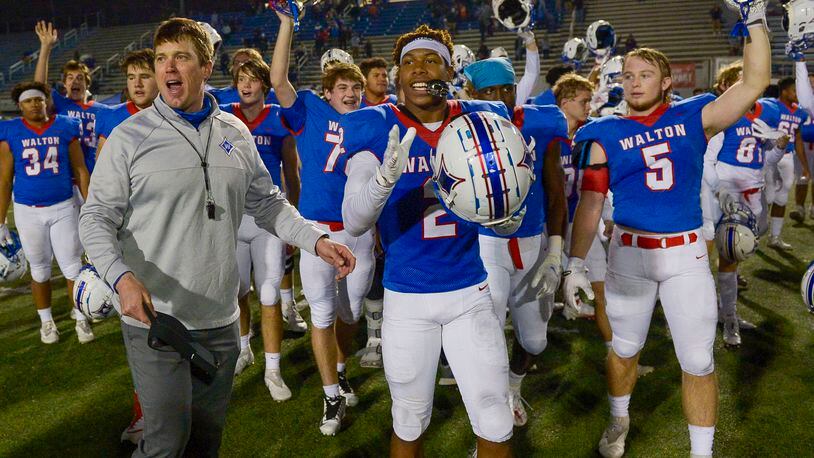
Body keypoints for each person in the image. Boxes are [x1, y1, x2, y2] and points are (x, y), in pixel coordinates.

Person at [78, 18, 355, 456]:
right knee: (166, 443)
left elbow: (268, 203)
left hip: (220, 321)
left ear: (206, 67)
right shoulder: (129, 137)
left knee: (206, 442)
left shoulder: (235, 132)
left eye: (181, 57)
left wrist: (315, 240)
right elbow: (94, 218)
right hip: (157, 321)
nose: (168, 68)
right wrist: (120, 277)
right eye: (161, 58)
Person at [565, 6, 769, 456]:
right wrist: (575, 263)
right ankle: (620, 417)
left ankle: (702, 452)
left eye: (645, 74)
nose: (633, 81)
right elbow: (591, 202)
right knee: (623, 349)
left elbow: (754, 82)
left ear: (666, 82)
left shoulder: (694, 116)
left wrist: (754, 18)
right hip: (628, 256)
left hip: (687, 256)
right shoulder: (602, 132)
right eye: (628, 74)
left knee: (698, 360)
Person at [339, 25, 514, 456]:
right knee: (410, 418)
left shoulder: (481, 119)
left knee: (495, 415)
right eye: (409, 62)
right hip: (407, 298)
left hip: (469, 292)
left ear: (451, 68)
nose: (419, 69)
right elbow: (354, 220)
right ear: (397, 75)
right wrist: (382, 180)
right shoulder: (375, 125)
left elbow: (505, 211)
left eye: (431, 59)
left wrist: (510, 214)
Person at [271, 10, 375, 436]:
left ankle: (342, 367)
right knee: (322, 314)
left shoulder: (375, 118)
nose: (350, 94)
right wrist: (286, 24)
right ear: (327, 92)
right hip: (317, 230)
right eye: (343, 88)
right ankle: (331, 396)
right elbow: (278, 79)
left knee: (350, 314)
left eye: (356, 88)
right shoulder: (309, 110)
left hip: (360, 233)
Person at [464, 57, 568, 428]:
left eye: (505, 89)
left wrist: (556, 254)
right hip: (488, 245)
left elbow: (556, 193)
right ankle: (490, 409)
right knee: (485, 333)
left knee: (536, 341)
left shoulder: (541, 121)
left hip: (532, 243)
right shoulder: (463, 129)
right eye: (488, 91)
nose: (499, 97)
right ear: (473, 94)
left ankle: (513, 385)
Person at [219, 57, 306, 400]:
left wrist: (293, 219)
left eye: (253, 78)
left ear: (264, 85)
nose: (246, 84)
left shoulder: (277, 118)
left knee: (268, 292)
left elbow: (291, 171)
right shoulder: (222, 113)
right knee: (238, 289)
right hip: (231, 217)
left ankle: (273, 368)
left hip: (267, 216)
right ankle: (244, 348)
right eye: (241, 78)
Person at [701, 61, 786, 348]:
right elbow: (707, 161)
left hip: (753, 194)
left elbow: (764, 162)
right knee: (719, 256)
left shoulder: (766, 114)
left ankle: (725, 313)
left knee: (735, 259)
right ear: (727, 87)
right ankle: (725, 318)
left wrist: (780, 147)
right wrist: (720, 190)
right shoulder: (724, 114)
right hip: (724, 195)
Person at [0, 81, 91, 344]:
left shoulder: (64, 126)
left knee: (73, 266)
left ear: (46, 102)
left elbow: (80, 169)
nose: (35, 104)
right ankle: (47, 322)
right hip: (28, 210)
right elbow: (4, 180)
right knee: (39, 270)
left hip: (63, 206)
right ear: (20, 105)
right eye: (29, 100)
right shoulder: (11, 131)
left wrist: (89, 203)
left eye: (39, 99)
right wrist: (1, 221)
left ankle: (81, 317)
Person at [34, 21, 112, 176]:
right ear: (64, 84)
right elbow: (38, 88)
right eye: (70, 77)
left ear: (87, 83)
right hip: (63, 177)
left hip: (92, 177)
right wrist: (45, 49)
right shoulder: (60, 103)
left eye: (80, 78)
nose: (75, 81)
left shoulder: (103, 110)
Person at [765, 77, 810, 248]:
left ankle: (774, 237)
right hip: (769, 154)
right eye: (794, 91)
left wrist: (805, 166)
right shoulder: (769, 106)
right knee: (767, 197)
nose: (797, 95)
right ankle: (756, 231)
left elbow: (798, 139)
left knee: (782, 197)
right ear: (784, 91)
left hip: (788, 156)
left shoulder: (800, 112)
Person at [96, 49, 160, 158]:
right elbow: (102, 169)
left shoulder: (174, 115)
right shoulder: (112, 117)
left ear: (160, 79)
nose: (137, 84)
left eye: (144, 77)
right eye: (131, 77)